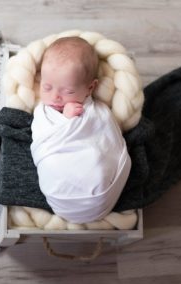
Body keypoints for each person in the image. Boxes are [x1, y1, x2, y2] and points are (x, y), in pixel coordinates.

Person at [30, 36, 131, 224]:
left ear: (90, 87)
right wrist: (65, 121)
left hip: (101, 195)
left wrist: (72, 119)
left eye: (67, 91)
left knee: (97, 161)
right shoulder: (42, 113)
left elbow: (104, 138)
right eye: (47, 87)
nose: (55, 97)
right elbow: (43, 138)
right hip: (59, 193)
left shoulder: (99, 111)